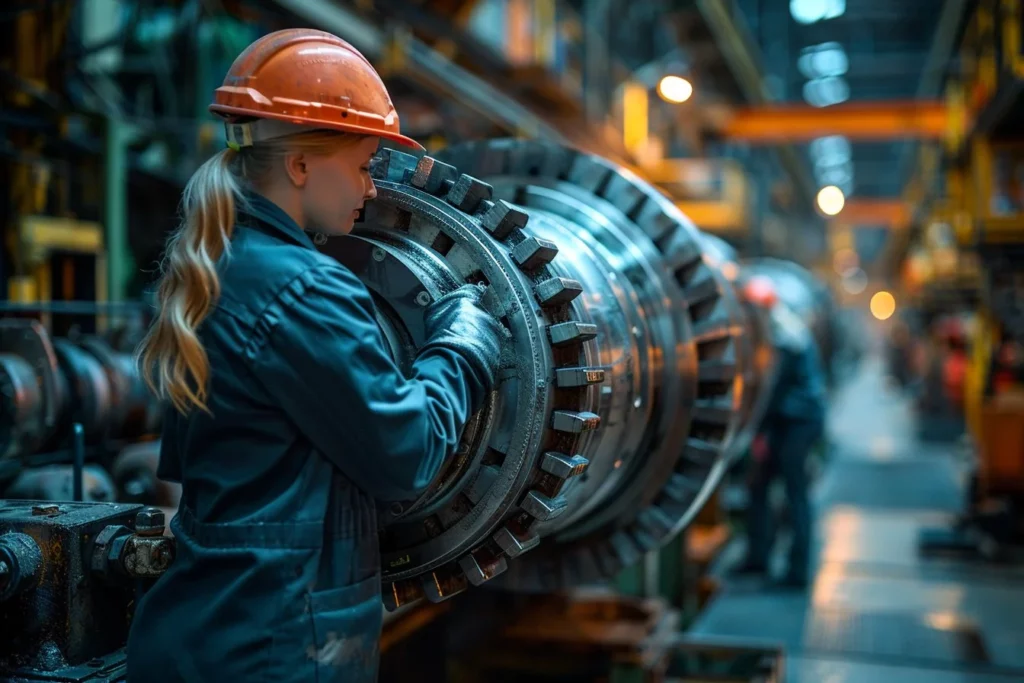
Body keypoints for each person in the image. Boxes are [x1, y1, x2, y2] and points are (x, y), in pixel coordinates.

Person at [127, 29, 504, 683]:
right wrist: (463, 343)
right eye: (362, 165)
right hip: (270, 646)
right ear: (301, 165)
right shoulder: (302, 287)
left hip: (217, 629)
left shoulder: (225, 265)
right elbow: (407, 450)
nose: (373, 188)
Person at [733, 276, 827, 588]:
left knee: (795, 492)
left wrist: (758, 432)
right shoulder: (782, 327)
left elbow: (775, 390)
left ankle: (797, 571)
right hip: (790, 420)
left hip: (798, 422)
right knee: (759, 487)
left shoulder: (786, 335)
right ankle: (758, 558)